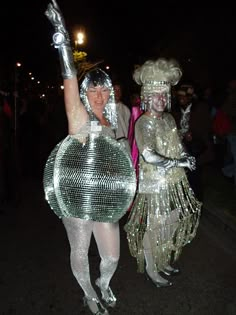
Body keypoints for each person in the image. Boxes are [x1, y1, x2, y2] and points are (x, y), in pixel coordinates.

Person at [44, 1, 136, 314]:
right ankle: (88, 293)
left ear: (110, 92)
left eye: (103, 89)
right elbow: (69, 80)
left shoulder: (115, 120)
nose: (99, 95)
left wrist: (127, 186)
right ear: (85, 94)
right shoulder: (80, 118)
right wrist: (63, 39)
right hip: (77, 197)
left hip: (107, 199)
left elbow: (121, 159)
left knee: (111, 256)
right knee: (80, 250)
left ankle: (103, 282)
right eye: (92, 90)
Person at [124, 58, 202, 287]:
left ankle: (162, 259)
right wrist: (181, 162)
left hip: (174, 180)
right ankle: (151, 268)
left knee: (173, 221)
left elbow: (176, 145)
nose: (159, 99)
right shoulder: (143, 123)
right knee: (155, 226)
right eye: (155, 94)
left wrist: (186, 157)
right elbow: (148, 155)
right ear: (147, 97)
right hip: (154, 183)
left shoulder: (169, 118)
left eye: (163, 94)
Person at [113, 82, 131, 152]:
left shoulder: (125, 109)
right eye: (115, 90)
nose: (117, 92)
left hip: (124, 145)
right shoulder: (105, 108)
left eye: (119, 90)